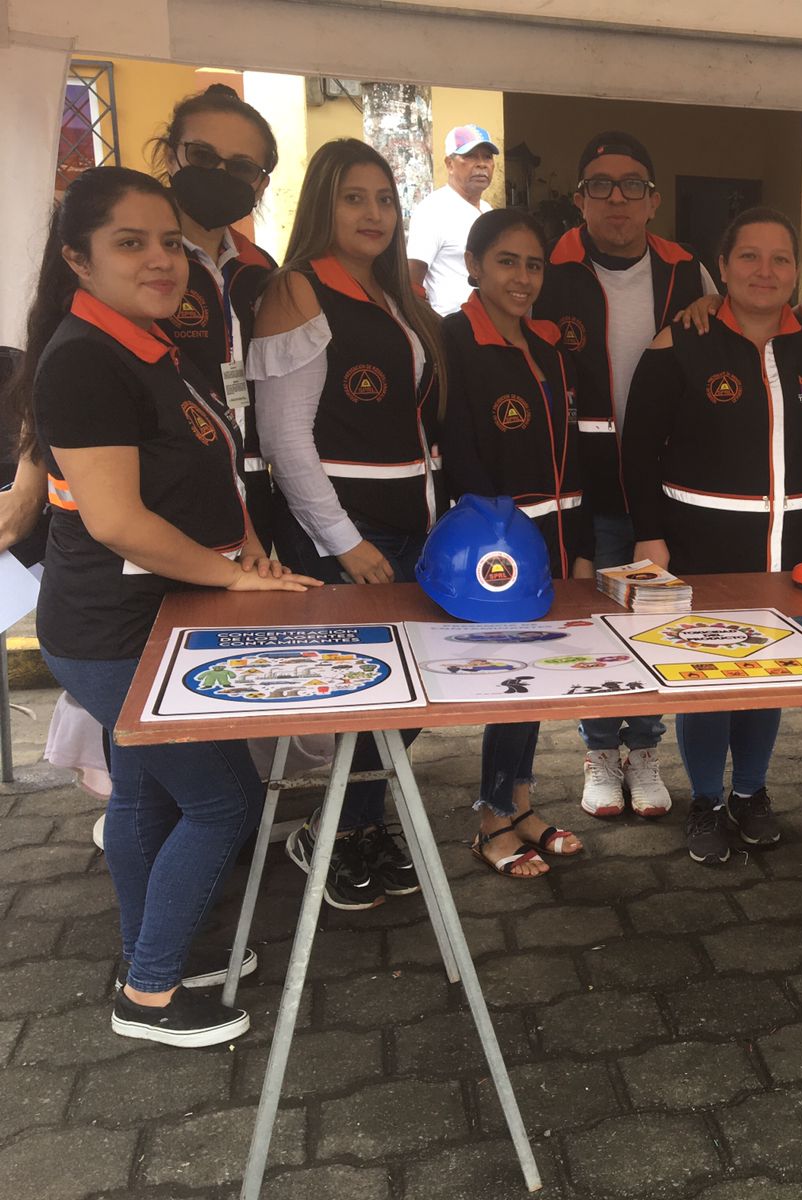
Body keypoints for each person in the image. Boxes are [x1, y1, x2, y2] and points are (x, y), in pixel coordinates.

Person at [11, 166, 319, 1046]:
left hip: (155, 624)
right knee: (224, 802)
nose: (160, 260)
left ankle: (153, 953)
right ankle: (148, 994)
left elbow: (203, 471)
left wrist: (244, 543)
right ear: (78, 258)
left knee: (145, 797)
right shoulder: (84, 360)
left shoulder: (146, 342)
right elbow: (117, 521)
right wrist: (235, 579)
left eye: (169, 243)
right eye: (130, 243)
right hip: (115, 635)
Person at [250, 139, 446, 909]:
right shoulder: (297, 288)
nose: (374, 213)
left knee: (410, 691)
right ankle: (343, 831)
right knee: (364, 692)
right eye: (353, 197)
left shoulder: (395, 294)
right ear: (321, 205)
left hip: (412, 526)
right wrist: (345, 542)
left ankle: (346, 823)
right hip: (346, 530)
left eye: (385, 199)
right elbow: (285, 440)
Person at [622, 207, 802, 864]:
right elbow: (637, 449)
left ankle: (750, 793)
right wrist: (649, 535)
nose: (765, 271)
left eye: (781, 258)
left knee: (768, 674)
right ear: (721, 266)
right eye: (749, 256)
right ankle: (706, 801)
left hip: (789, 553)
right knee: (708, 678)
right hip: (701, 549)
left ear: (796, 272)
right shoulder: (681, 341)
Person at [532, 131, 718, 820]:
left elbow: (731, 331)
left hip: (663, 490)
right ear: (580, 198)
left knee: (655, 624)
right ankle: (599, 752)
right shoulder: (549, 271)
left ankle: (644, 749)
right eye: (601, 185)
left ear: (653, 199)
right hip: (580, 486)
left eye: (632, 185)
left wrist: (713, 304)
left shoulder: (687, 271)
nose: (618, 198)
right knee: (597, 626)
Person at [440, 208, 592, 878]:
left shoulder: (550, 349)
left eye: (534, 265)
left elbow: (574, 454)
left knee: (534, 681)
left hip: (553, 544)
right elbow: (459, 457)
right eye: (507, 262)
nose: (523, 278)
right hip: (496, 556)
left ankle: (522, 805)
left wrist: (579, 544)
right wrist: (502, 547)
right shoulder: (451, 342)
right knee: (508, 682)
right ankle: (492, 821)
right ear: (474, 265)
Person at [150, 84, 281, 546]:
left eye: (241, 167)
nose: (220, 174)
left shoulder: (260, 269)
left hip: (250, 479)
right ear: (171, 156)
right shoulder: (138, 264)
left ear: (259, 184)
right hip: (160, 481)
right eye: (203, 156)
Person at [408, 124, 498, 316]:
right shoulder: (433, 210)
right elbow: (412, 281)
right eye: (470, 156)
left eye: (487, 157)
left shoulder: (488, 210)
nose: (482, 164)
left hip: (487, 324)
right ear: (449, 164)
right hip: (448, 324)